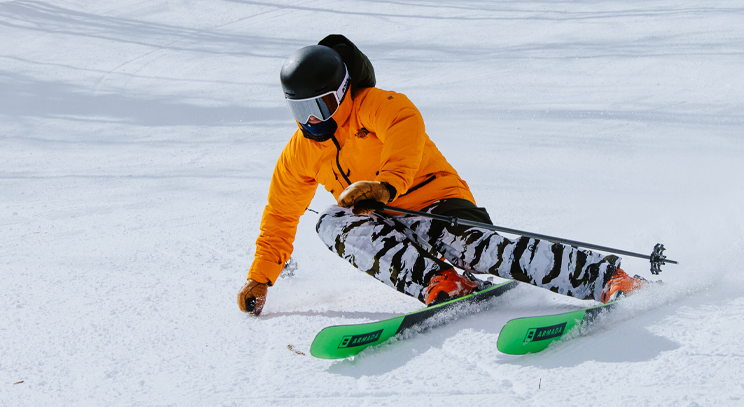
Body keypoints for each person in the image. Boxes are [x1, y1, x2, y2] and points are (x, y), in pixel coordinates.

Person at [236, 35, 646, 315]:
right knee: (329, 221)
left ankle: (607, 276)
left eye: (320, 106)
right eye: (299, 110)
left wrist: (385, 186)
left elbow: (405, 131)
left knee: (484, 253)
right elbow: (281, 214)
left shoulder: (379, 106)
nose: (311, 120)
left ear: (343, 91)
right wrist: (260, 278)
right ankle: (442, 284)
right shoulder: (302, 150)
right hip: (388, 227)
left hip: (437, 207)